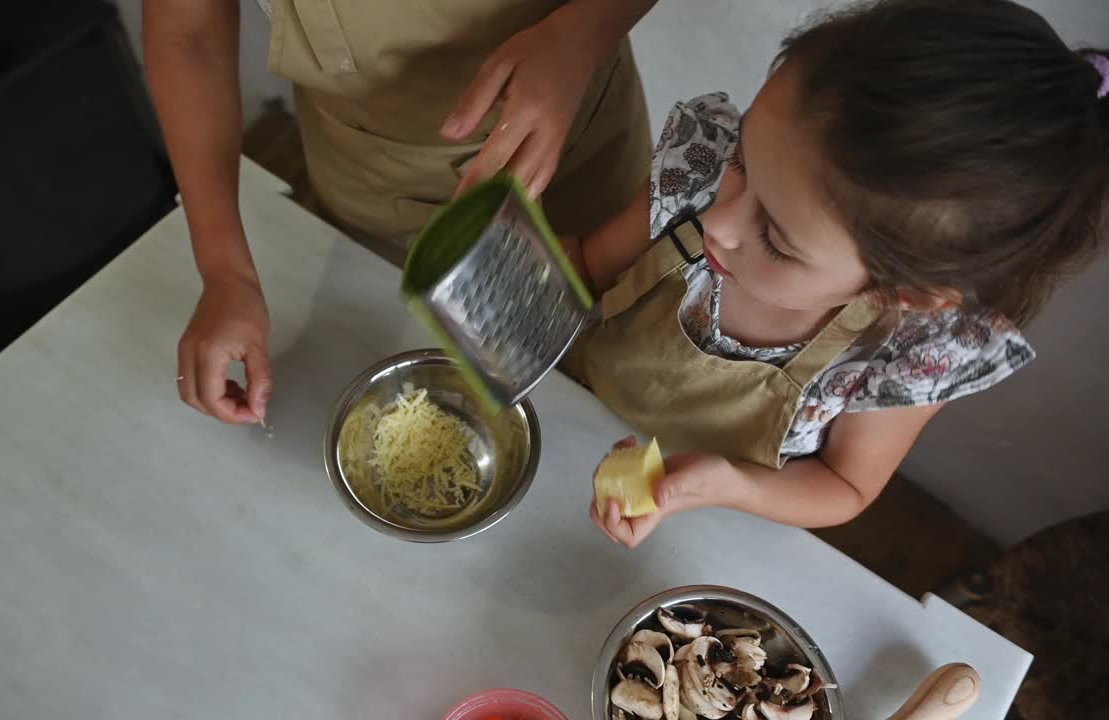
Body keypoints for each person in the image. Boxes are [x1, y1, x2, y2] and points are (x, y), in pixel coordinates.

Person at [560, 0, 1109, 547]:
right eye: (742, 164)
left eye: (775, 239)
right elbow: (582, 266)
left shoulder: (909, 352)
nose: (720, 225)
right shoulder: (696, 180)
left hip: (708, 530)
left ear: (905, 293)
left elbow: (844, 485)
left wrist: (730, 484)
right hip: (561, 425)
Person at [142, 0, 657, 424]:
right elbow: (188, 31)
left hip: (581, 150)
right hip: (373, 185)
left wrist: (583, 32)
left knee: (615, 376)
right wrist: (225, 272)